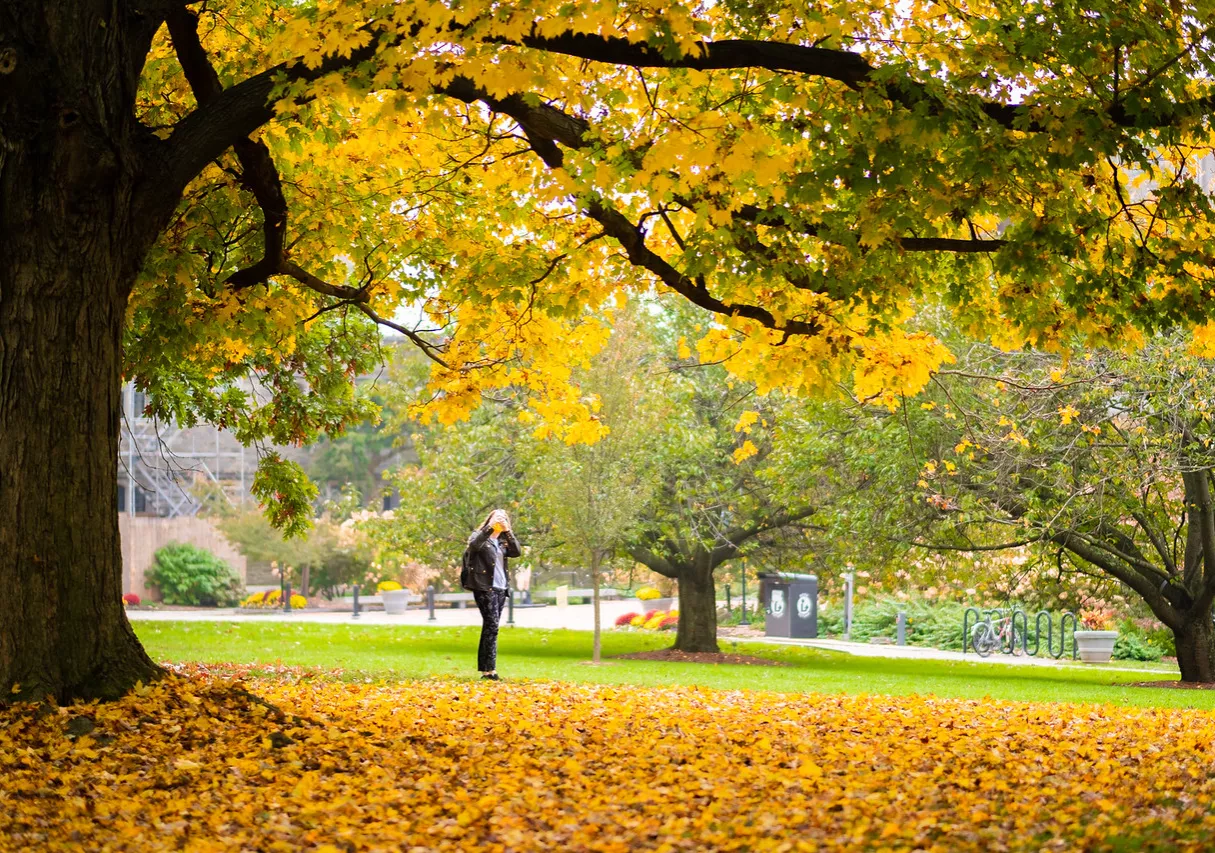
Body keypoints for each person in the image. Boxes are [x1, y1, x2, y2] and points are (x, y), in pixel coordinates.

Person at [464, 509, 521, 680]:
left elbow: (517, 552)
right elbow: (474, 546)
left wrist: (508, 531)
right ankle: (489, 671)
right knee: (492, 625)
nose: (501, 520)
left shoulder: (503, 541)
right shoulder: (479, 536)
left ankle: (488, 669)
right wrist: (490, 527)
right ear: (489, 518)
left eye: (504, 517)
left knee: (491, 627)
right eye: (498, 517)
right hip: (484, 586)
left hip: (500, 587)